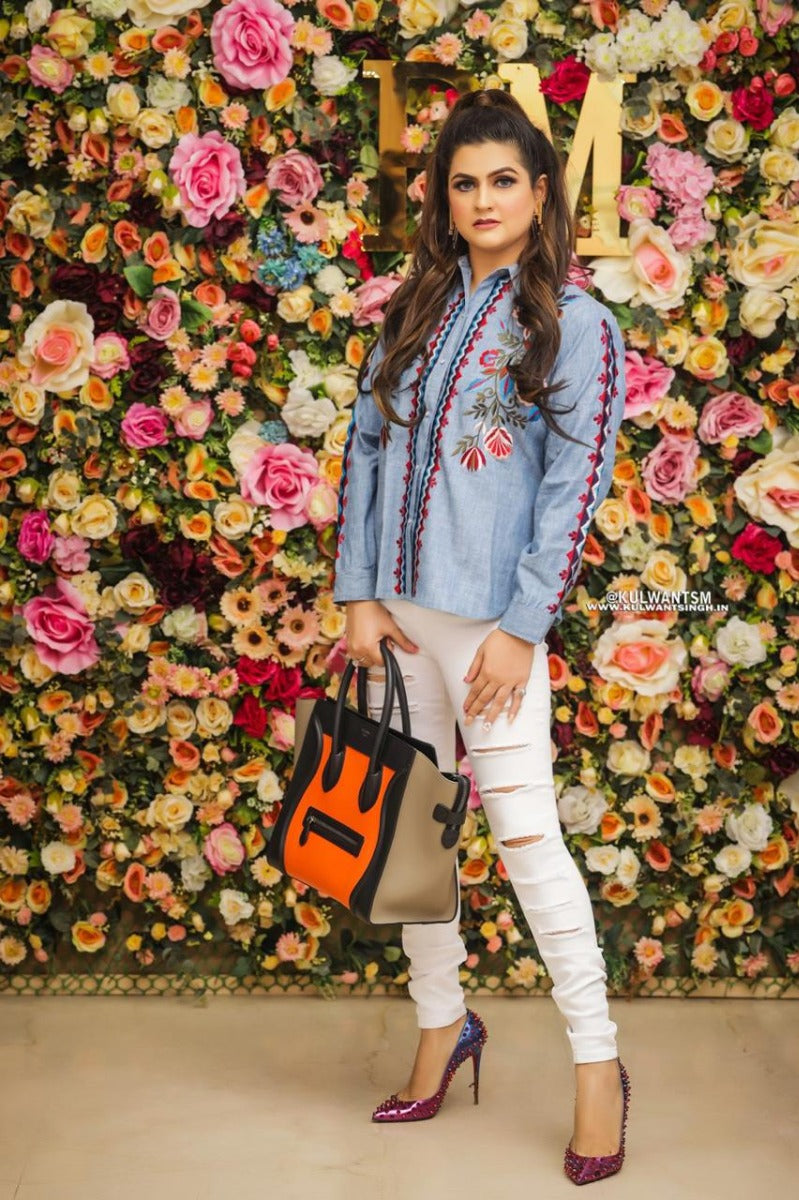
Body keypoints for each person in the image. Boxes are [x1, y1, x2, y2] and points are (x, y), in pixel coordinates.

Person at [332, 88, 630, 1184]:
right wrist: (359, 597)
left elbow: (574, 485)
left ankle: (596, 1063)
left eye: (503, 180)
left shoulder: (576, 324)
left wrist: (521, 628)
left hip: (492, 635)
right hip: (399, 627)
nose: (484, 199)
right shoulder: (412, 310)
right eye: (464, 183)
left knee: (526, 843)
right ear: (443, 199)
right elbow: (366, 451)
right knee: (413, 847)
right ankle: (441, 1025)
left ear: (540, 192)